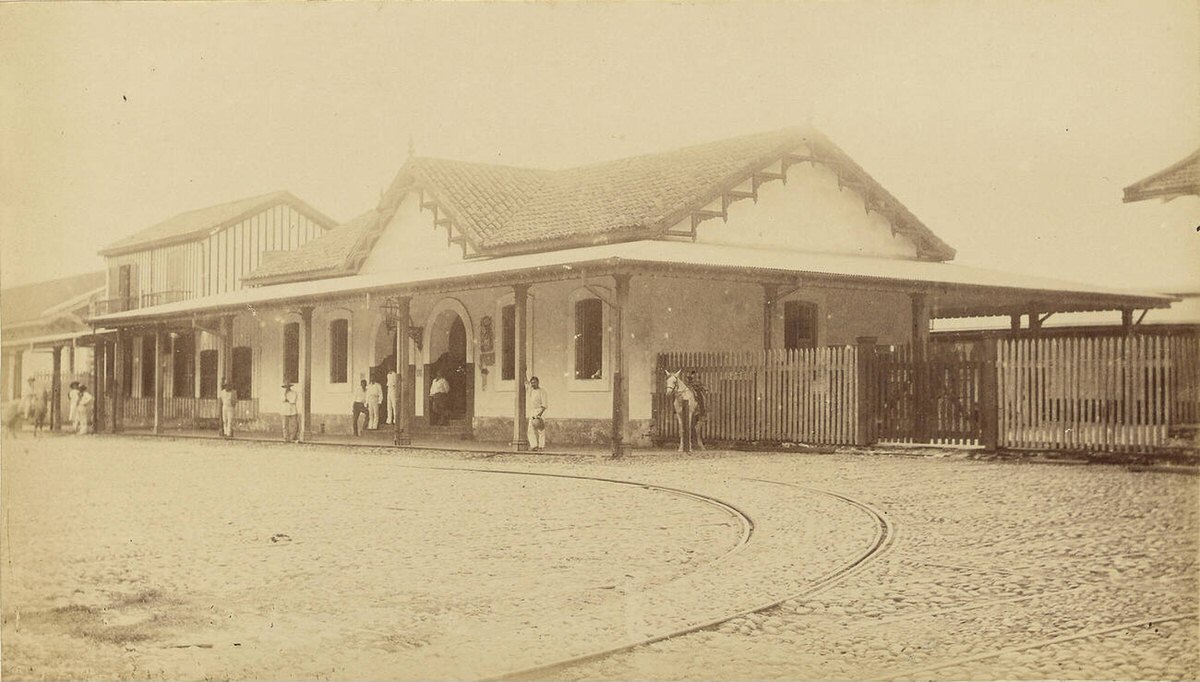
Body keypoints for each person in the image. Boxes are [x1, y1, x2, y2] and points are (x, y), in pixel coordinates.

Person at [686, 370, 708, 451]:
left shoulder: (699, 385)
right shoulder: (689, 385)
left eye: (696, 377)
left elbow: (705, 388)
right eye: (693, 377)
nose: (695, 378)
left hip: (697, 392)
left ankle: (701, 411)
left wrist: (702, 387)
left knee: (700, 396)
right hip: (690, 392)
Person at [527, 375, 548, 451]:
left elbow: (544, 405)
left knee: (540, 429)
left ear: (538, 382)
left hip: (540, 411)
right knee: (530, 429)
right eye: (532, 383)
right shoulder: (531, 391)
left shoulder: (542, 391)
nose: (533, 384)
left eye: (534, 382)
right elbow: (525, 383)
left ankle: (541, 446)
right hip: (532, 411)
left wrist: (539, 415)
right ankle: (534, 445)